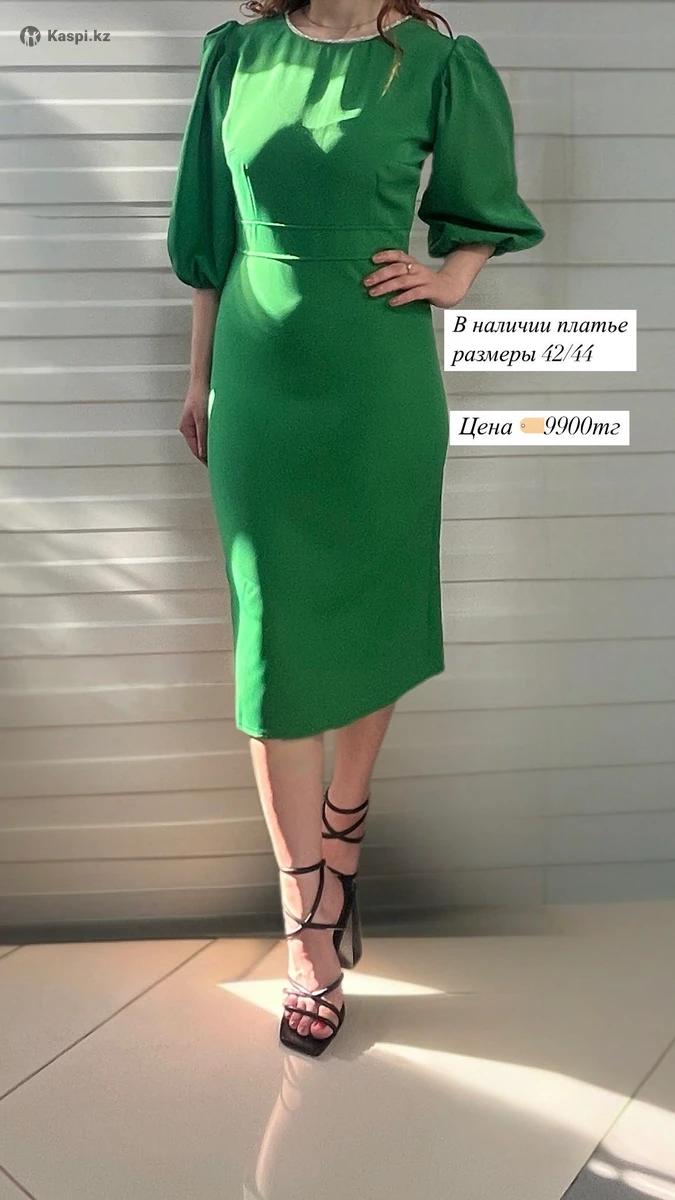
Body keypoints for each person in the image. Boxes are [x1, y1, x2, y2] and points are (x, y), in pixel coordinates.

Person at [166, 0, 544, 1057]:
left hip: (378, 383)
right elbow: (210, 232)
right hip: (258, 379)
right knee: (272, 647)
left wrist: (451, 276)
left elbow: (480, 209)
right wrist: (198, 377)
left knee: (371, 609)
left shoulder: (436, 62)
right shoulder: (236, 54)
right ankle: (307, 927)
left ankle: (342, 842)